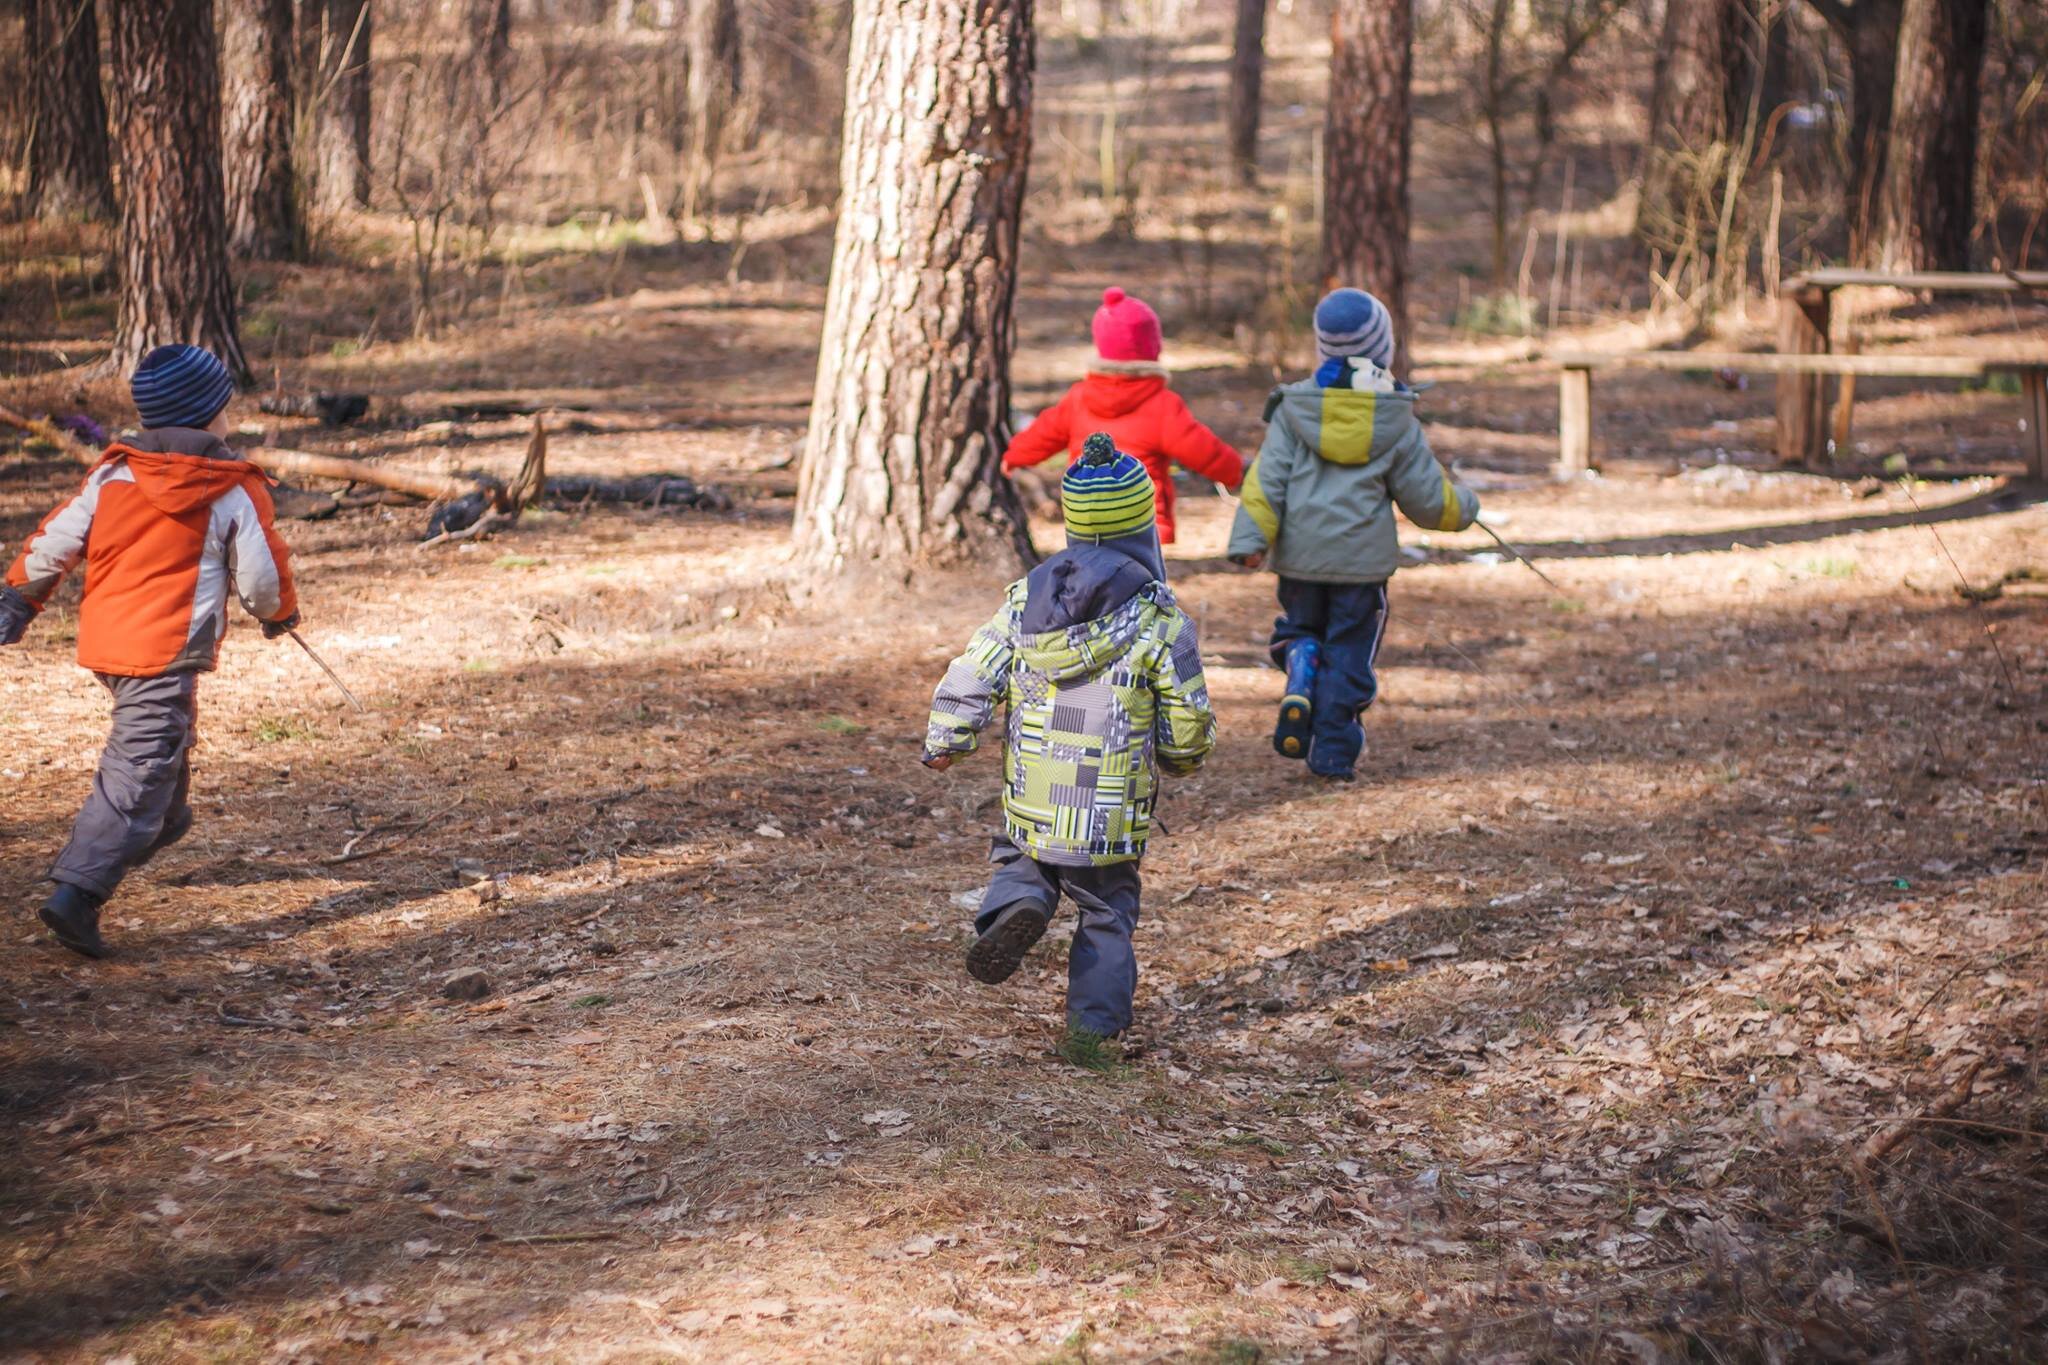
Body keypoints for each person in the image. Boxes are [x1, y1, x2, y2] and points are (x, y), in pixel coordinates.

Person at [924, 434, 1215, 1065]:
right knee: (1107, 910)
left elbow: (976, 669)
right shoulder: (1159, 618)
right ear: (1143, 526)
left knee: (1021, 858)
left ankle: (1019, 903)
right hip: (1108, 807)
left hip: (1034, 793)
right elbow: (1188, 712)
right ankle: (1091, 1031)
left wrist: (947, 737)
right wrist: (1183, 755)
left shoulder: (1026, 602)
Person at [0, 345, 300, 958]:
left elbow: (56, 541)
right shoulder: (231, 488)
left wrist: (16, 600)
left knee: (161, 748)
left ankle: (160, 820)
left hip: (110, 643)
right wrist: (279, 616)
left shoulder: (113, 474)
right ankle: (77, 893)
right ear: (212, 412)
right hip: (163, 650)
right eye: (224, 404)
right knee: (138, 770)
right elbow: (263, 581)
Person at [1227, 287, 1480, 782]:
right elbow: (1428, 498)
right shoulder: (1394, 417)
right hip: (1360, 571)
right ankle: (1334, 749)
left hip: (1299, 559)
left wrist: (1250, 540)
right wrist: (1465, 508)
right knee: (1349, 651)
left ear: (1323, 348)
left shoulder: (1293, 408)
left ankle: (1299, 663)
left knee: (1303, 629)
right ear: (1381, 348)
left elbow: (1266, 479)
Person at [1002, 286, 1245, 547]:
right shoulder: (1162, 405)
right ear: (1153, 347)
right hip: (1143, 526)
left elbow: (1043, 434)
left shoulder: (1079, 398)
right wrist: (1234, 472)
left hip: (1087, 521)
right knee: (1142, 585)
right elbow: (1202, 449)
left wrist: (1012, 456)